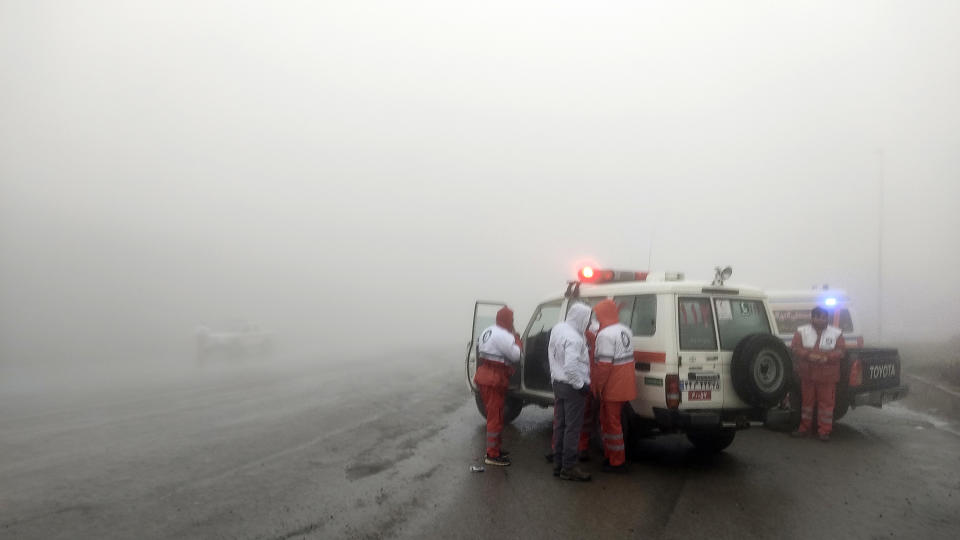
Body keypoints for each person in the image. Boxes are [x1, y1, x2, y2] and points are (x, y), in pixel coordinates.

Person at [548, 302, 592, 481]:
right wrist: (581, 385)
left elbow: (552, 353)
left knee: (560, 425)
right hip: (572, 387)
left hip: (558, 383)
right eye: (588, 320)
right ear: (581, 318)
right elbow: (571, 367)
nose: (589, 324)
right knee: (572, 428)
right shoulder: (574, 338)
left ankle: (558, 464)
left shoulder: (559, 329)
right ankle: (569, 467)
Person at [592, 299, 637, 472]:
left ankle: (617, 462)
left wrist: (598, 386)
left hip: (613, 385)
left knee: (612, 424)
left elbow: (604, 365)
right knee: (610, 422)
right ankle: (611, 456)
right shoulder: (625, 329)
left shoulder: (605, 335)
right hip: (625, 384)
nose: (596, 316)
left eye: (598, 313)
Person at [474, 306, 522, 466]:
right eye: (512, 320)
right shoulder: (504, 335)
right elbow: (517, 355)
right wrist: (516, 338)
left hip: (485, 376)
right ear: (508, 320)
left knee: (497, 415)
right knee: (495, 417)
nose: (513, 322)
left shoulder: (487, 331)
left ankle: (496, 449)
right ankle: (492, 455)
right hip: (494, 378)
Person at [790, 306, 847, 441]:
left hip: (827, 376)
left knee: (826, 405)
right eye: (818, 317)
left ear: (827, 318)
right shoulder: (801, 331)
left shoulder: (836, 333)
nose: (821, 320)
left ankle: (824, 431)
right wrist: (809, 356)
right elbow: (795, 348)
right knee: (806, 404)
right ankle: (804, 429)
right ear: (812, 317)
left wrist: (826, 358)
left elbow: (841, 351)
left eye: (823, 317)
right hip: (807, 374)